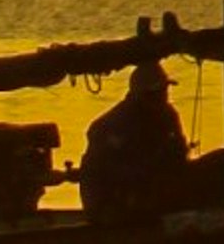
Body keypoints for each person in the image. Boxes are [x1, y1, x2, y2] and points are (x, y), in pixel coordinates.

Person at [77, 25, 195, 224]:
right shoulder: (112, 126)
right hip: (111, 204)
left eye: (165, 90)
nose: (164, 96)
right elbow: (108, 173)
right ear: (142, 95)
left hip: (148, 196)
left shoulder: (168, 115)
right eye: (157, 92)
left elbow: (178, 155)